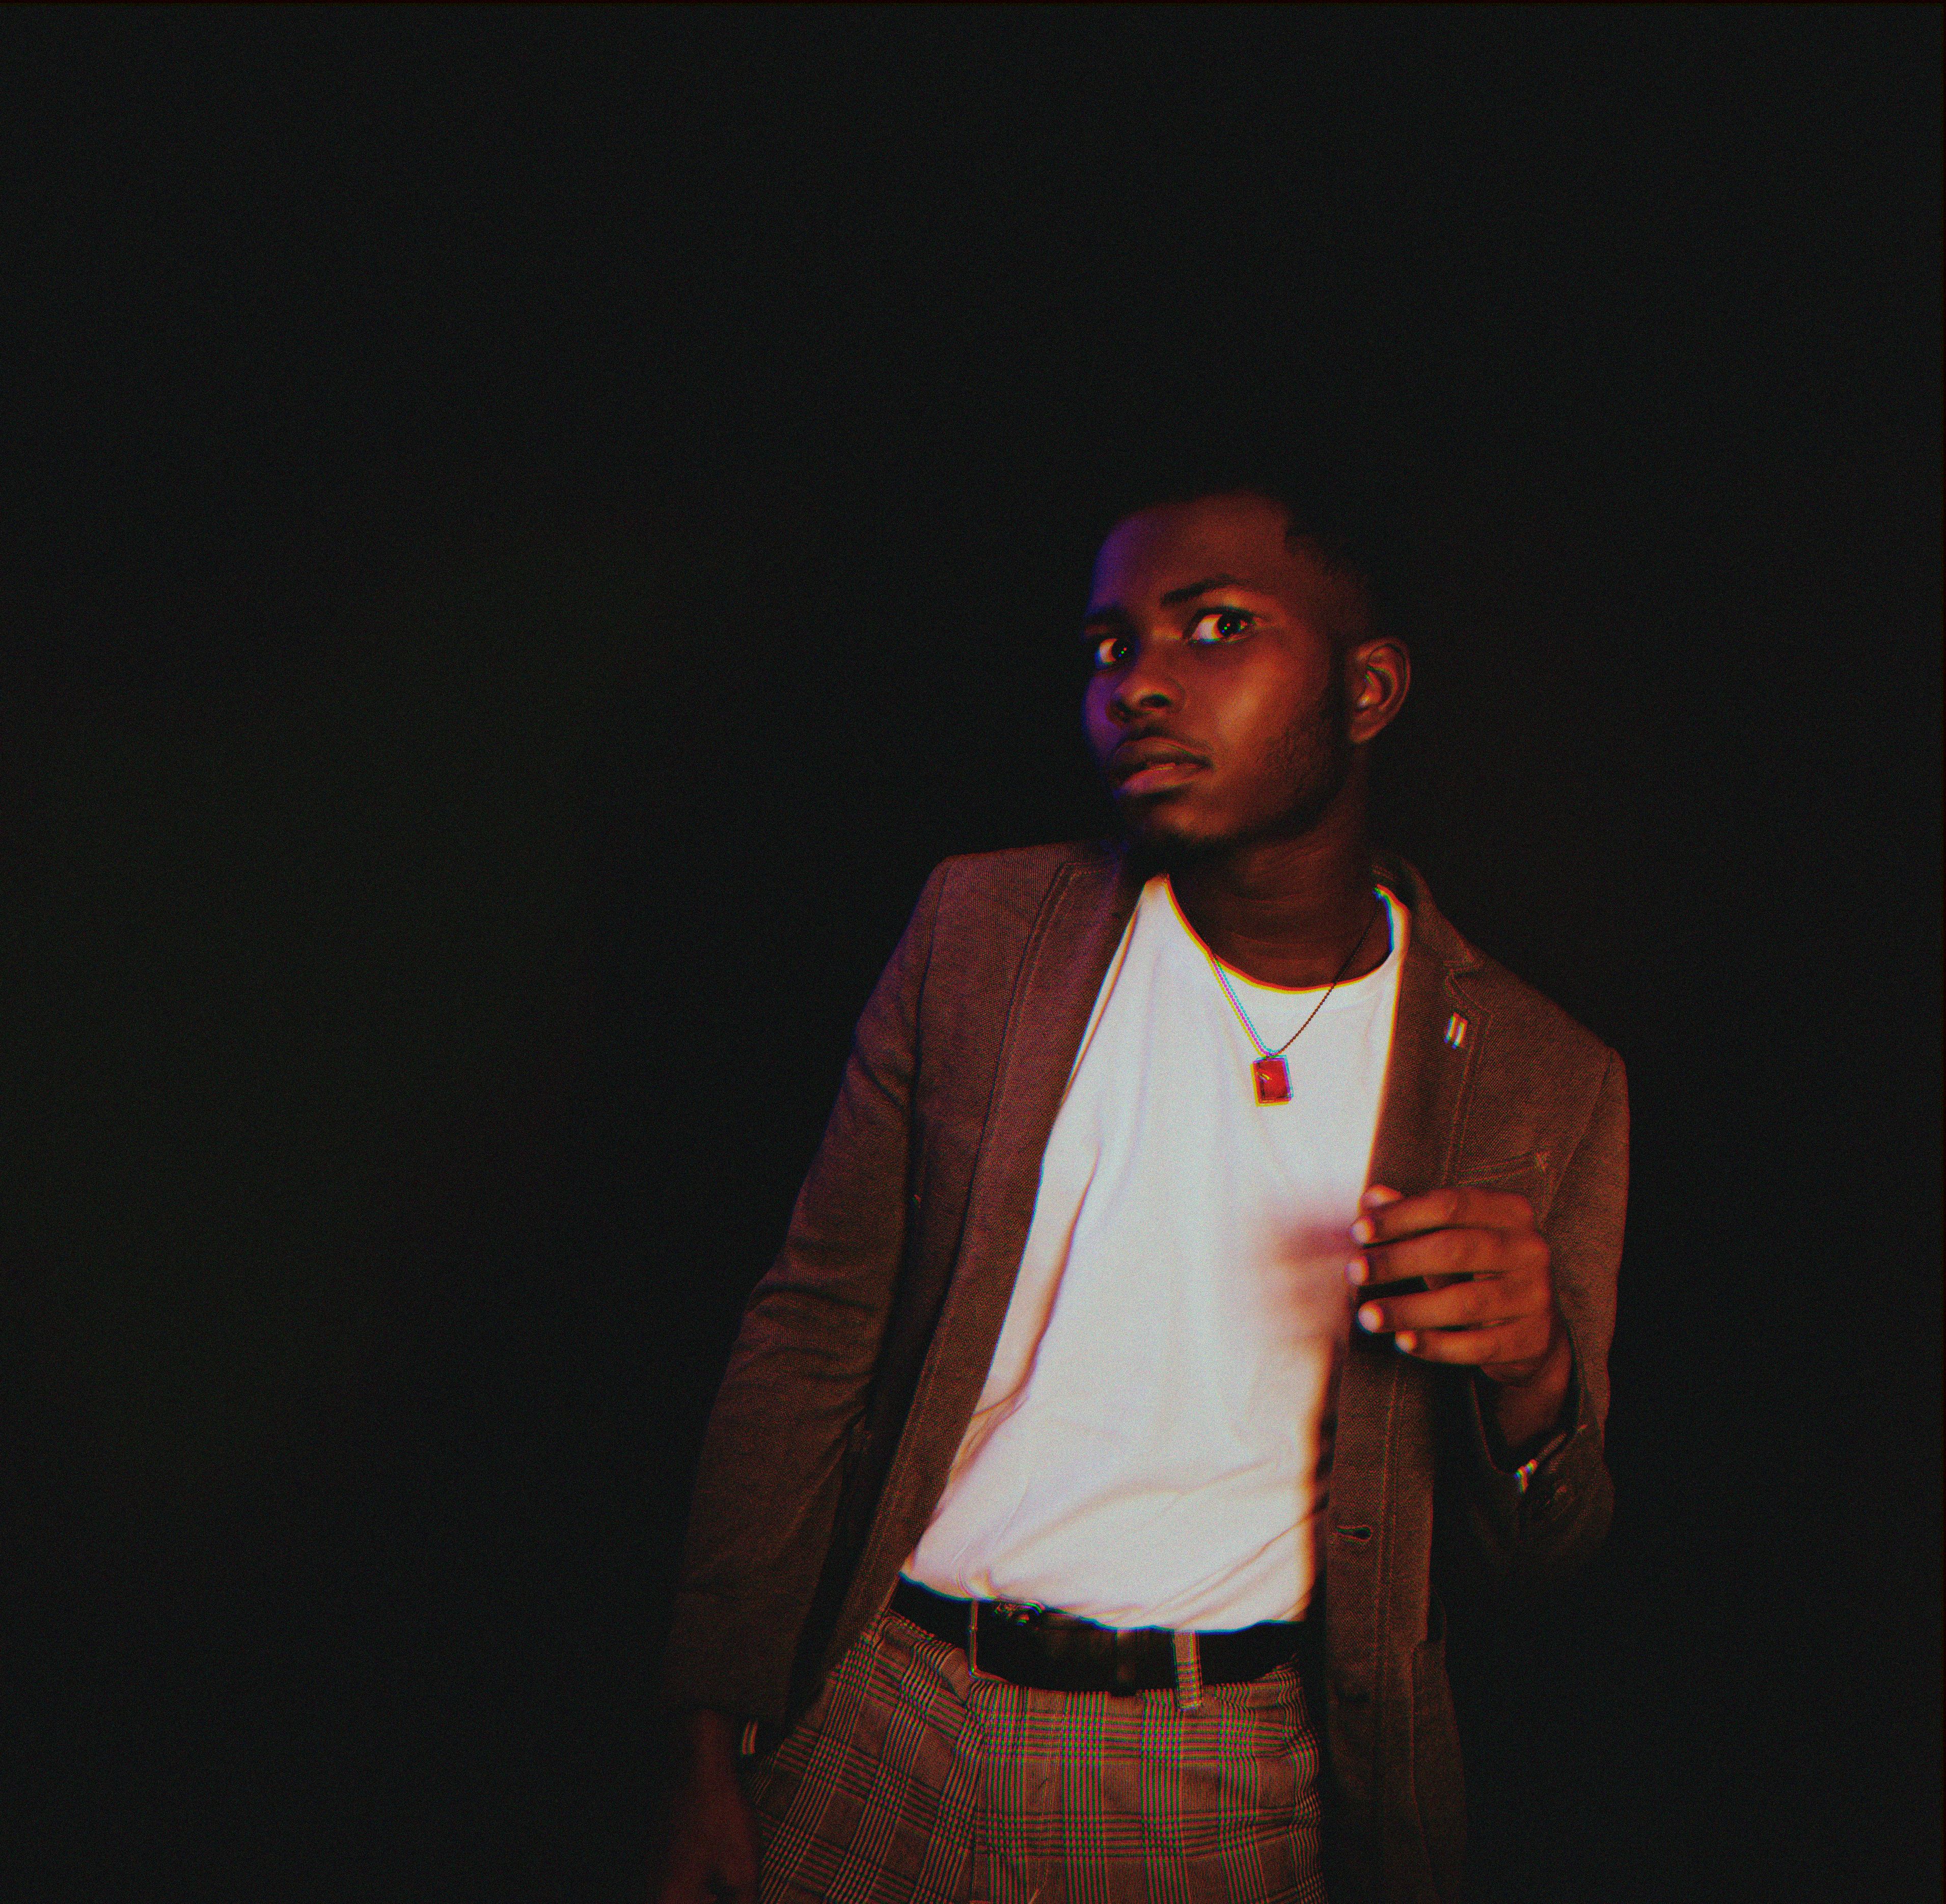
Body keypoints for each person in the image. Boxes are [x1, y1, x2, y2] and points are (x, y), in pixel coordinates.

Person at [653, 483, 1627, 1903]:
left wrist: (1534, 1374)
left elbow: (1545, 1552)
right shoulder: (984, 933)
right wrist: (703, 1734)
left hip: (1206, 1772)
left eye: (1217, 628)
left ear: (1368, 689)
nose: (1141, 685)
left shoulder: (1541, 1081)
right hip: (885, 1705)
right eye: (1111, 647)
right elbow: (811, 1332)